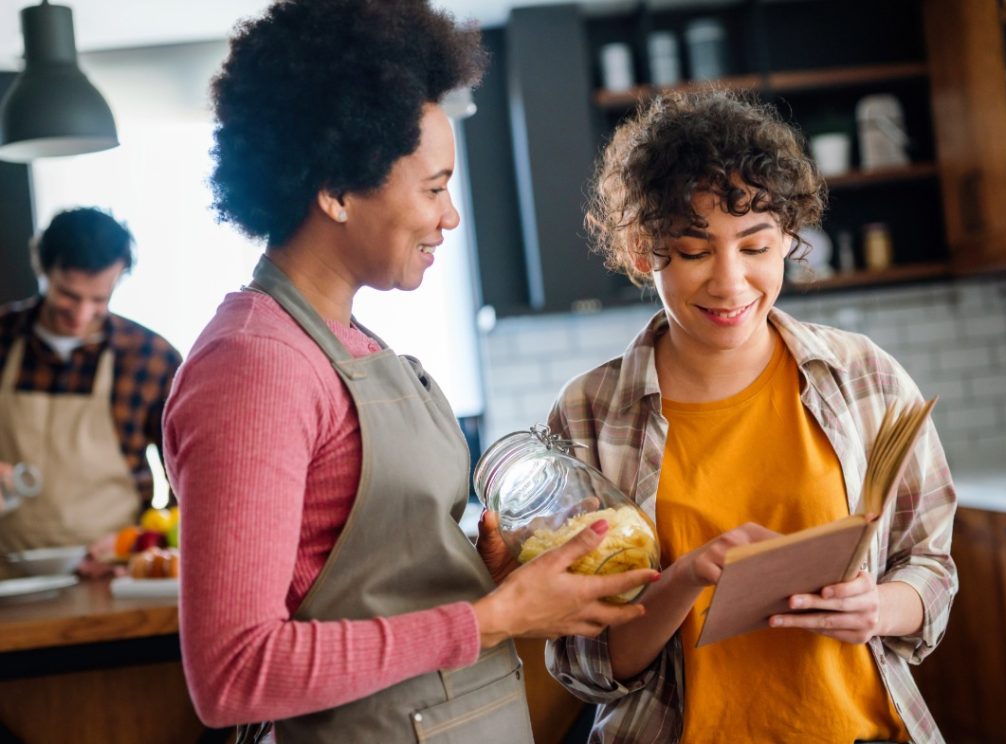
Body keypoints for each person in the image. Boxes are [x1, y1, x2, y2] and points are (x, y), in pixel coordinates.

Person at [160, 2, 656, 742]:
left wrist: (481, 576)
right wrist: (490, 618)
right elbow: (235, 672)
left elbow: (366, 586)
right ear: (335, 190)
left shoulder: (349, 341)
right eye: (433, 187)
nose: (450, 216)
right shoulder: (255, 367)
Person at [545, 90, 957, 744]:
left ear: (789, 239)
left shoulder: (864, 377)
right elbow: (587, 663)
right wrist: (686, 579)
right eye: (694, 251)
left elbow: (931, 566)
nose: (730, 282)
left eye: (756, 247)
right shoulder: (587, 414)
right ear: (644, 250)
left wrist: (878, 608)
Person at [0, 207, 181, 572]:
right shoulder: (3, 337)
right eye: (68, 295)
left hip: (113, 572)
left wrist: (147, 541)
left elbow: (191, 484)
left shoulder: (150, 357)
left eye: (99, 300)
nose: (81, 315)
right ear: (42, 268)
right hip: (7, 576)